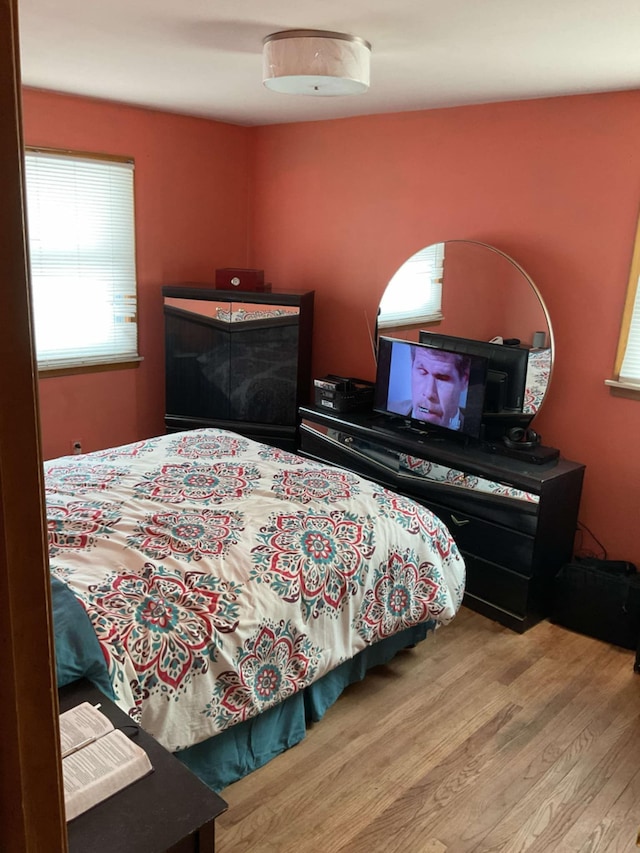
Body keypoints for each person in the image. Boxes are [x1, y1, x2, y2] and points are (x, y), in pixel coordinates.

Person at [394, 346, 471, 429]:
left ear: (464, 381)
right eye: (423, 372)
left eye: (442, 377)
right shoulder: (390, 410)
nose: (429, 393)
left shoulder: (472, 429)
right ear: (412, 365)